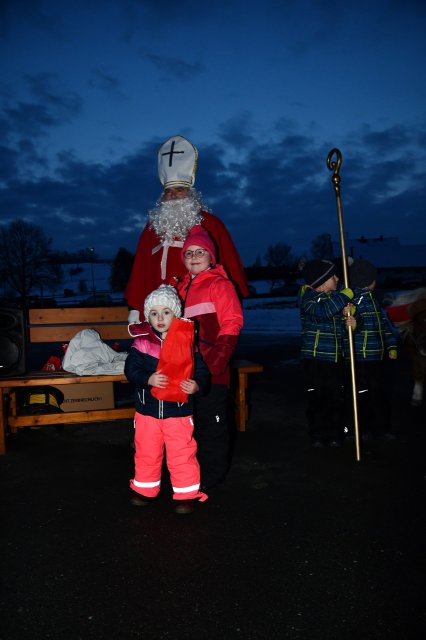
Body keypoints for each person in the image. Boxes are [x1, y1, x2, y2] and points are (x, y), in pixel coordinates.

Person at [125, 135, 248, 322]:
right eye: (168, 191)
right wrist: (135, 307)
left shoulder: (210, 223)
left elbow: (228, 266)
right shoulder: (152, 228)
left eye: (179, 190)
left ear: (190, 193)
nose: (173, 196)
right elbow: (140, 270)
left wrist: (229, 305)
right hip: (158, 313)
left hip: (199, 308)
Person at [124, 284, 210, 515]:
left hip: (179, 413)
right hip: (147, 413)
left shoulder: (187, 343)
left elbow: (202, 371)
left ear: (176, 314)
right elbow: (130, 370)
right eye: (154, 313)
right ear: (147, 317)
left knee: (182, 454)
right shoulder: (142, 343)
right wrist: (147, 378)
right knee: (146, 453)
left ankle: (187, 494)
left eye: (166, 312)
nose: (159, 318)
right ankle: (144, 491)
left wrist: (197, 385)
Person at [177, 225, 244, 489]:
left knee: (212, 424)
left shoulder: (220, 285)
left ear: (211, 256)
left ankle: (211, 477)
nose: (193, 257)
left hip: (212, 370)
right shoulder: (179, 289)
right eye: (188, 253)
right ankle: (188, 474)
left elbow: (232, 323)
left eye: (200, 252)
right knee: (186, 426)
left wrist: (217, 361)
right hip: (184, 371)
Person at [299, 259, 354, 447]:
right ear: (321, 280)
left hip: (335, 358)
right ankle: (318, 434)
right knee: (317, 397)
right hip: (315, 359)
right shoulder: (308, 298)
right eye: (333, 276)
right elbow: (324, 311)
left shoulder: (335, 298)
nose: (337, 279)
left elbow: (342, 322)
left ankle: (336, 434)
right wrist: (344, 297)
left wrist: (353, 321)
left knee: (336, 397)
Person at [346, 259, 398, 439]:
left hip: (378, 357)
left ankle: (381, 428)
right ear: (371, 281)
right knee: (362, 395)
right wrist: (354, 323)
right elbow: (354, 325)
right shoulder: (353, 301)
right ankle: (361, 429)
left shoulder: (374, 301)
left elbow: (384, 326)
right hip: (361, 358)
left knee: (380, 394)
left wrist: (391, 345)